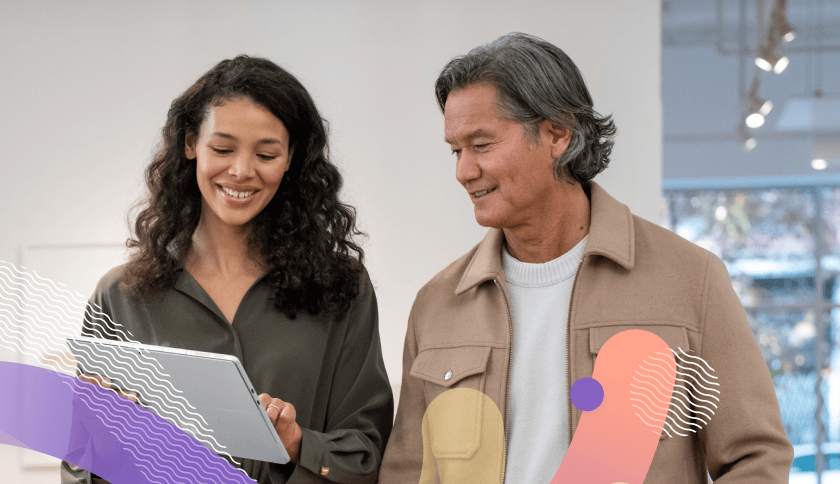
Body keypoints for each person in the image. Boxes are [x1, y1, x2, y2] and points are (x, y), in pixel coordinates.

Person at [379, 33, 793, 483]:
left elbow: (756, 459)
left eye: (481, 145)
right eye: (456, 150)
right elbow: (408, 472)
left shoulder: (691, 280)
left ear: (557, 133)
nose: (463, 171)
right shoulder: (437, 305)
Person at [61, 55, 393, 484]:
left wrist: (297, 444)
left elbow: (368, 454)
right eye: (222, 148)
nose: (241, 171)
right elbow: (79, 465)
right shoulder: (120, 297)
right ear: (190, 144)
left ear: (291, 157)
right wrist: (111, 445)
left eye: (267, 154)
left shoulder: (342, 289)